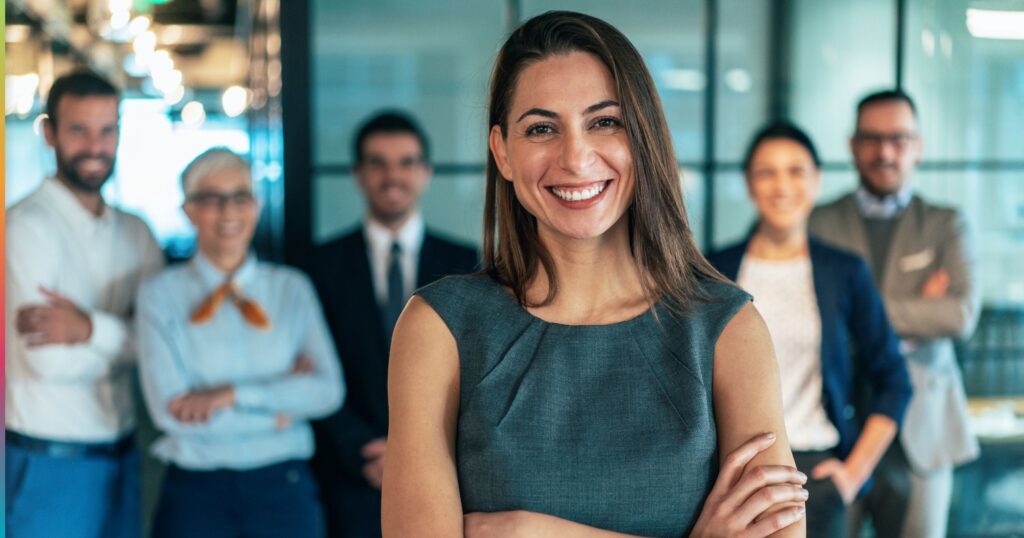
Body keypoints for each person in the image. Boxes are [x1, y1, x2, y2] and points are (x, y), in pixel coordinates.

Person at [382, 11, 808, 537]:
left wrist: (527, 531)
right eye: (541, 129)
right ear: (502, 152)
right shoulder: (438, 328)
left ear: (643, 137)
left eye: (605, 121)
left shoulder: (726, 328)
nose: (576, 158)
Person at [708, 123, 913, 537]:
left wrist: (851, 475)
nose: (782, 185)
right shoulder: (714, 269)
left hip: (815, 474)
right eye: (767, 172)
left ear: (816, 181)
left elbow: (894, 380)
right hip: (732, 475)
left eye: (796, 171)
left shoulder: (844, 271)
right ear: (749, 184)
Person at [135, 148, 344, 537]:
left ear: (257, 205)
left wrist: (227, 396)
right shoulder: (159, 295)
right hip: (195, 492)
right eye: (212, 199)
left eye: (240, 197)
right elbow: (169, 411)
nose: (228, 212)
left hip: (284, 490)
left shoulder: (292, 288)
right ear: (188, 210)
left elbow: (328, 392)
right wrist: (283, 405)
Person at [810, 90, 981, 538]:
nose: (885, 151)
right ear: (852, 145)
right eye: (871, 138)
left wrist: (857, 311)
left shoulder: (946, 224)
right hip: (835, 422)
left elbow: (959, 314)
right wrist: (917, 312)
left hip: (922, 427)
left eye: (899, 139)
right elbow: (804, 312)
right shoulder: (818, 222)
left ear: (918, 146)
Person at [5, 70, 164, 538]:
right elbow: (48, 364)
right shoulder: (24, 228)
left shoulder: (138, 233)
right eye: (79, 129)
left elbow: (164, 344)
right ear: (49, 132)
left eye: (107, 130)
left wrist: (88, 330)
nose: (95, 146)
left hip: (125, 457)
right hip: (49, 463)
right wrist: (124, 335)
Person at [308, 111, 478, 538]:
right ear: (357, 174)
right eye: (377, 163)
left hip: (446, 475)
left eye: (406, 162)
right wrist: (365, 450)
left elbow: (477, 372)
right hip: (351, 472)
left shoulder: (466, 264)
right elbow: (309, 368)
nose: (392, 176)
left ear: (426, 172)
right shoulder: (319, 266)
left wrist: (419, 454)